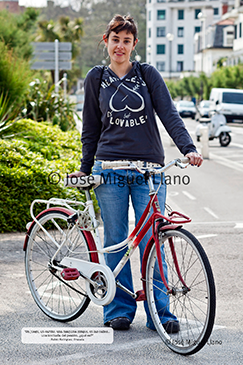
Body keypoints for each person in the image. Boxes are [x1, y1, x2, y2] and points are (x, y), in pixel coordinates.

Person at [70, 14, 203, 331]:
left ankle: (161, 313)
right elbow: (90, 129)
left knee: (153, 242)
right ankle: (119, 309)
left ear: (134, 45)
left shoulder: (147, 75)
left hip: (149, 171)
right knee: (116, 240)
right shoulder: (96, 78)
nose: (120, 46)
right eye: (115, 39)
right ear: (107, 42)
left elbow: (170, 115)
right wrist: (85, 170)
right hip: (109, 170)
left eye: (126, 41)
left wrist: (188, 148)